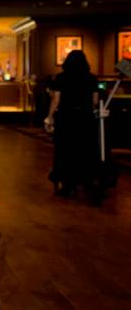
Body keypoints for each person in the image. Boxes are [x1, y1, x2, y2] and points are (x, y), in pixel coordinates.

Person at [44, 50, 100, 199]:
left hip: (66, 118)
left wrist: (50, 117)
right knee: (84, 149)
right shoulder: (92, 78)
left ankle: (68, 184)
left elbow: (56, 100)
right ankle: (85, 180)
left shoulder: (61, 78)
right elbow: (95, 101)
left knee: (65, 150)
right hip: (86, 118)